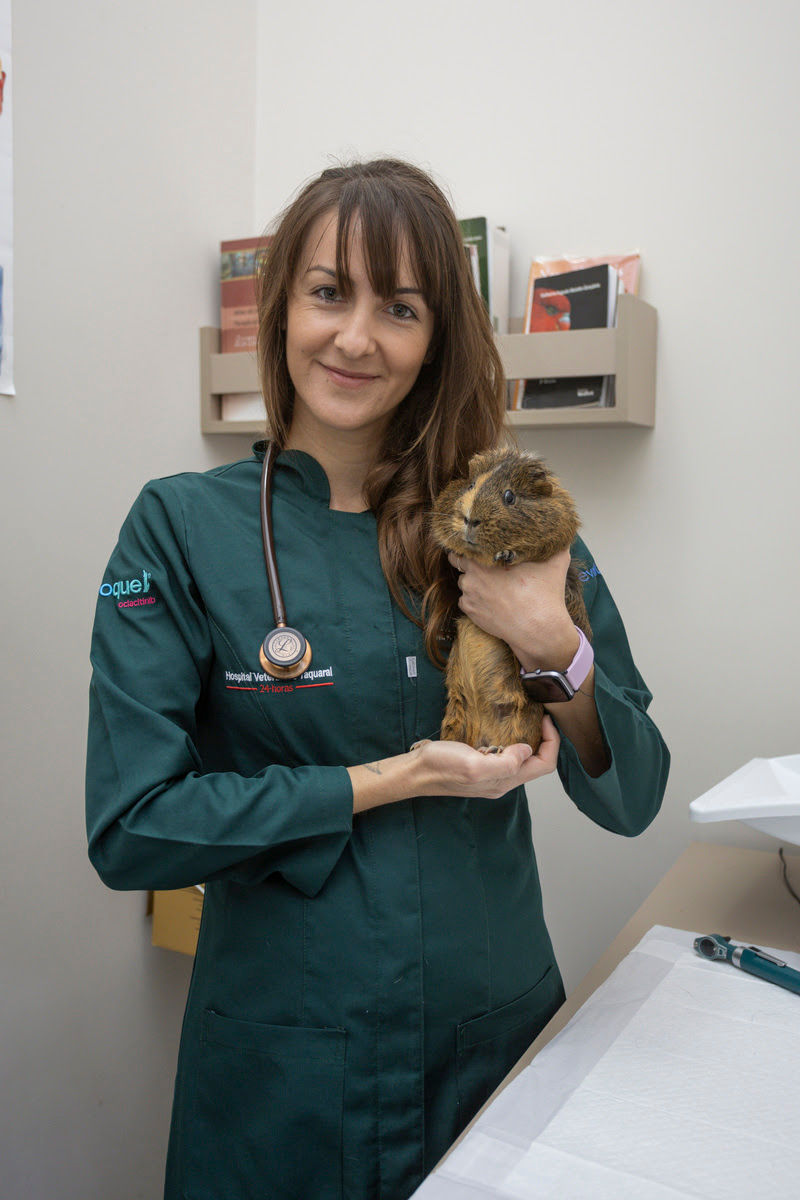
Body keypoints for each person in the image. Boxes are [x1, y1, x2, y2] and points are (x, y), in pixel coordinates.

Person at [86, 158, 669, 1200]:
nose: (356, 338)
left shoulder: (504, 521)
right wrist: (395, 779)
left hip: (490, 1039)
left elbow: (632, 795)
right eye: (328, 293)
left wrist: (548, 636)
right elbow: (133, 829)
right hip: (282, 1070)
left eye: (399, 308)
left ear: (436, 336)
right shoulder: (178, 526)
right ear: (280, 308)